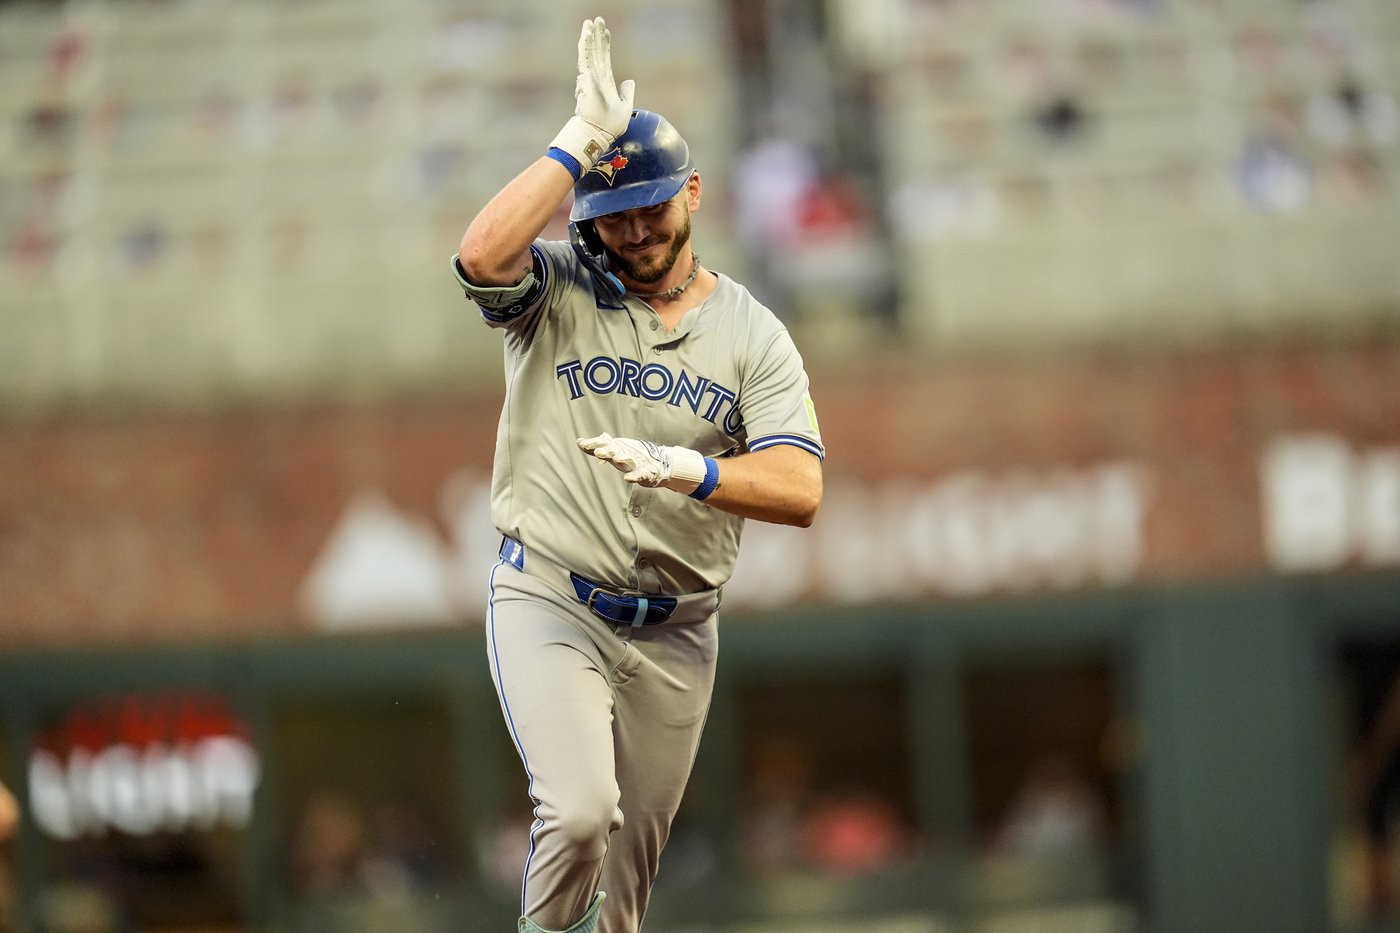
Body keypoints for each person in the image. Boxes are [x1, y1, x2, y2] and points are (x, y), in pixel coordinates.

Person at [452, 16, 824, 933]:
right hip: (553, 595)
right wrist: (574, 147)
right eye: (610, 216)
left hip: (675, 631)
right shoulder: (560, 287)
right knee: (580, 812)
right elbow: (479, 257)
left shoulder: (750, 332)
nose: (633, 231)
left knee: (621, 902)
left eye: (651, 207)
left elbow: (799, 486)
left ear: (693, 191)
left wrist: (690, 467)